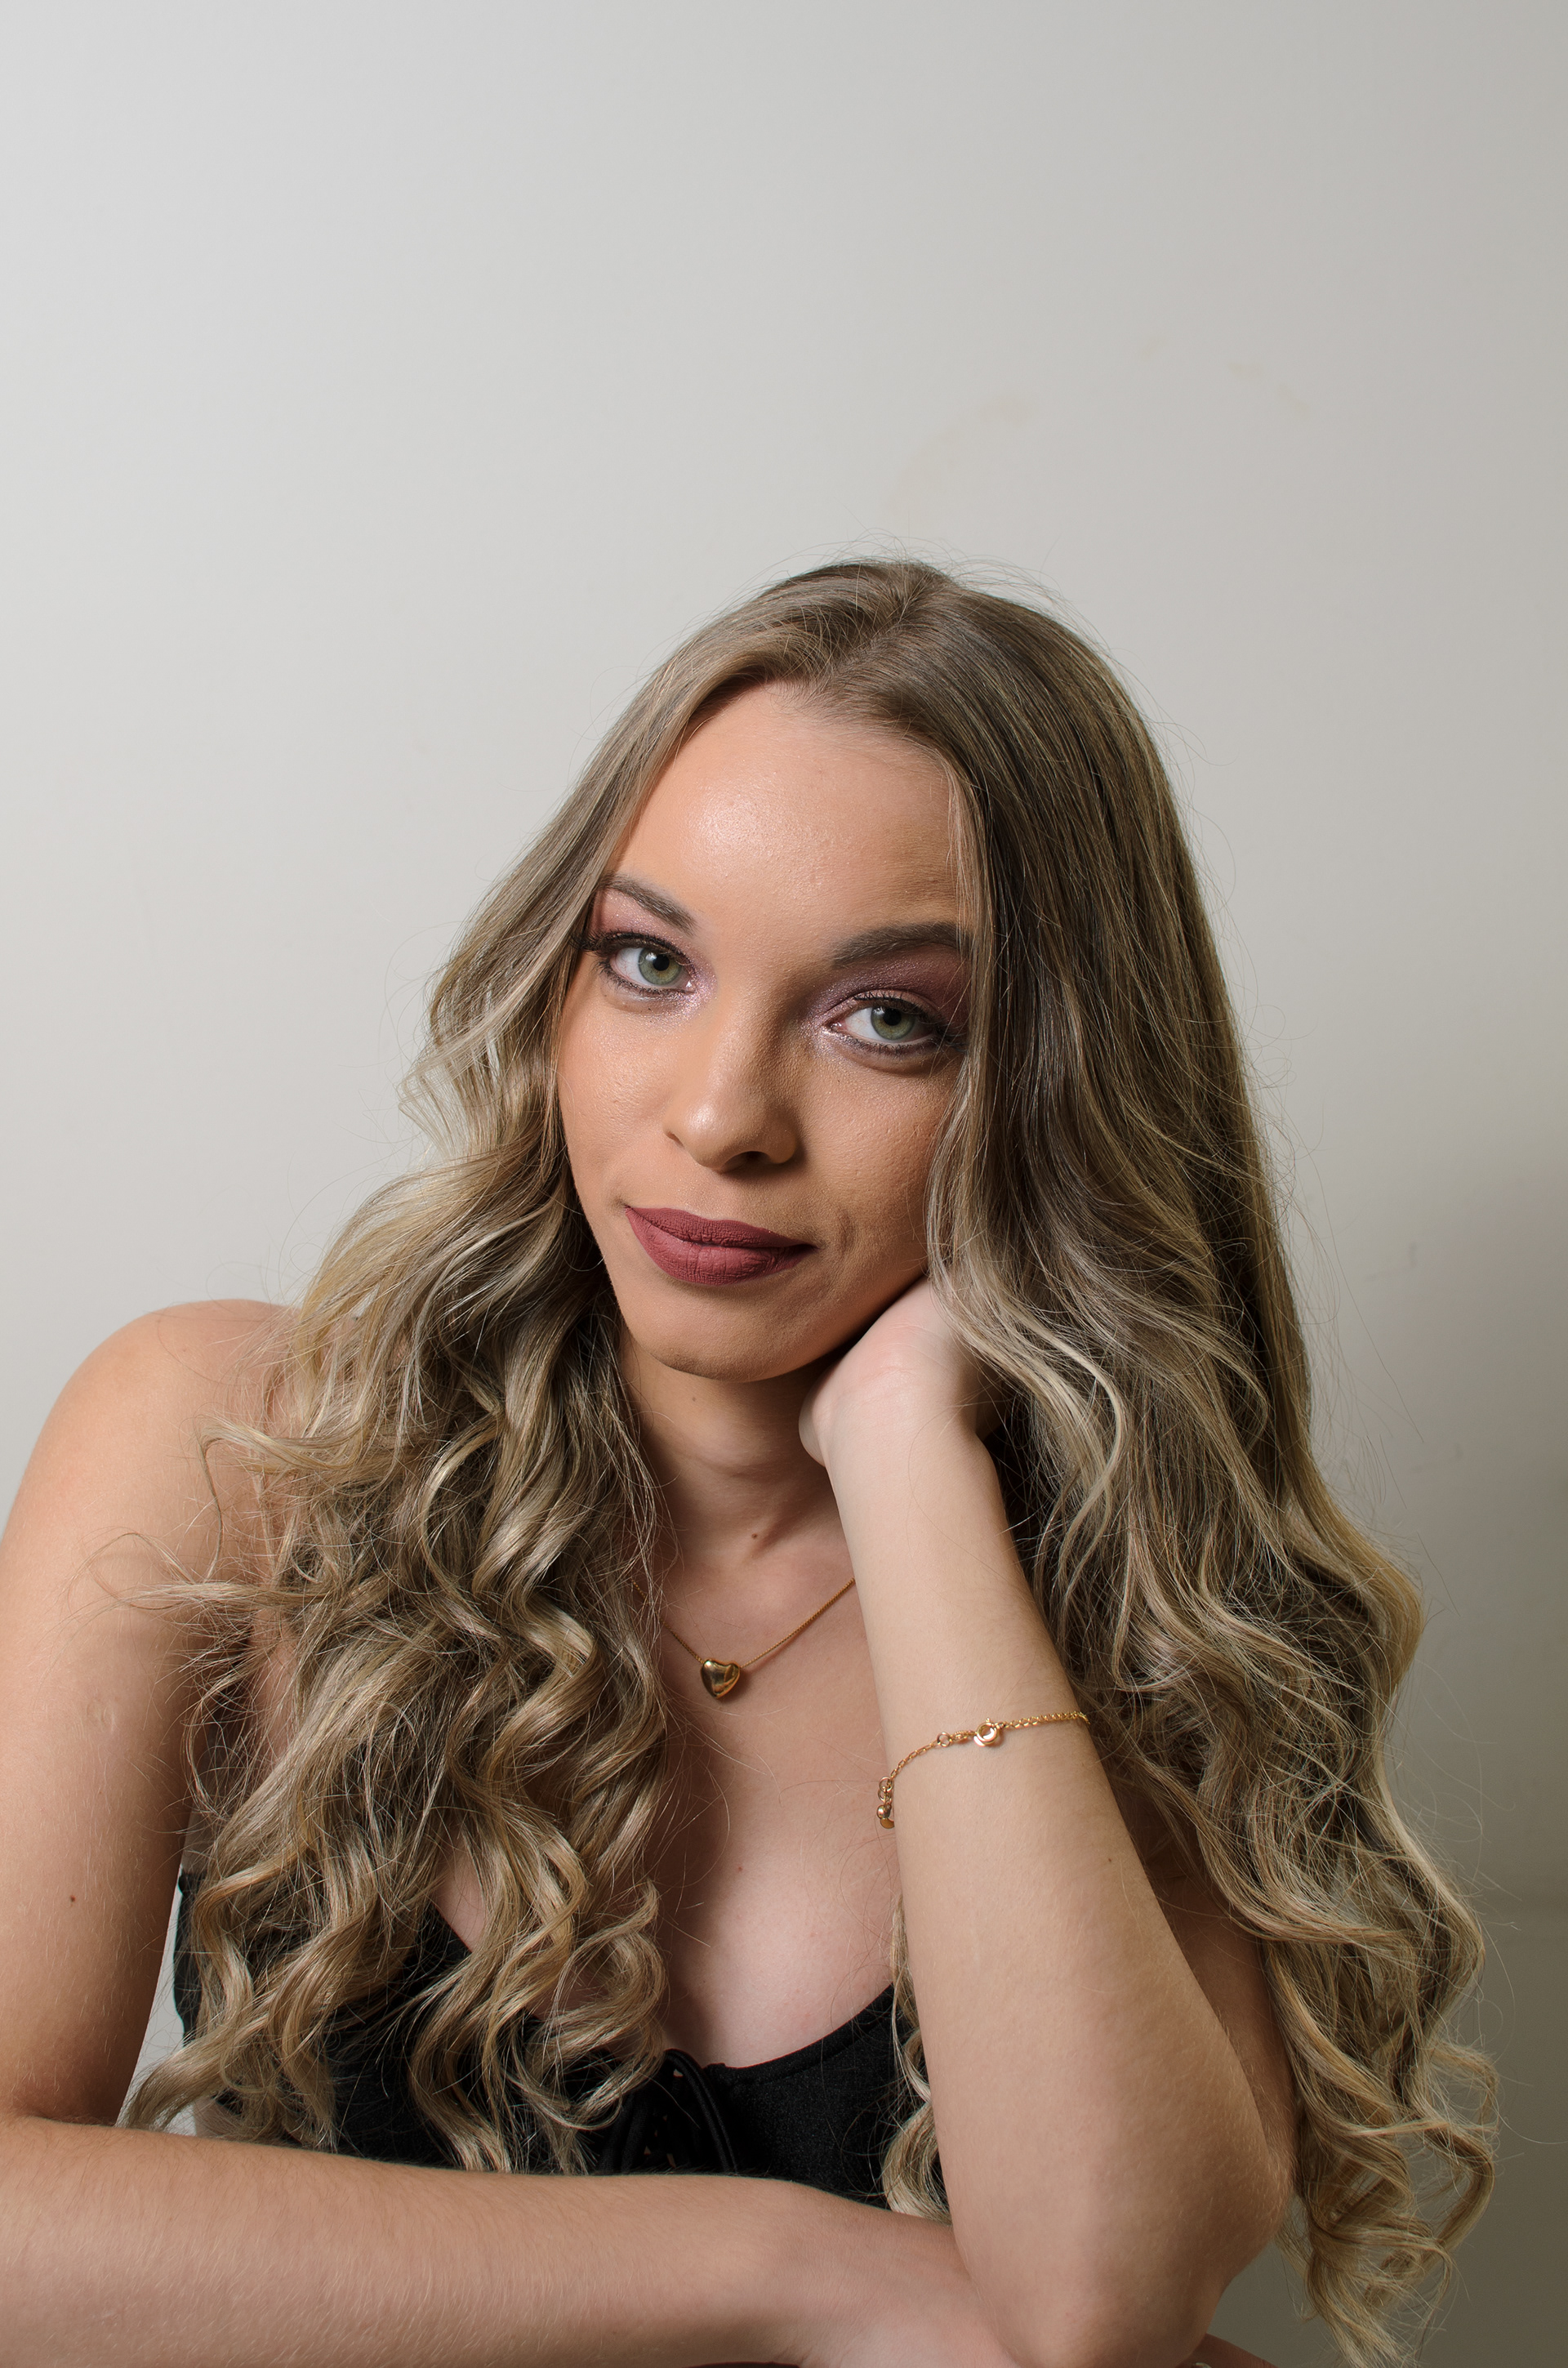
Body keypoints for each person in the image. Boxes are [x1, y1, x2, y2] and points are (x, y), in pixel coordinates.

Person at [0, 561, 1490, 2368]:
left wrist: (907, 1451)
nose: (718, 1116)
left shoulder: (1144, 1612)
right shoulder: (230, 1448)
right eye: (651, 962)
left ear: (1054, 1088)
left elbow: (1102, 2297)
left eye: (889, 1020)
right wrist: (796, 2269)